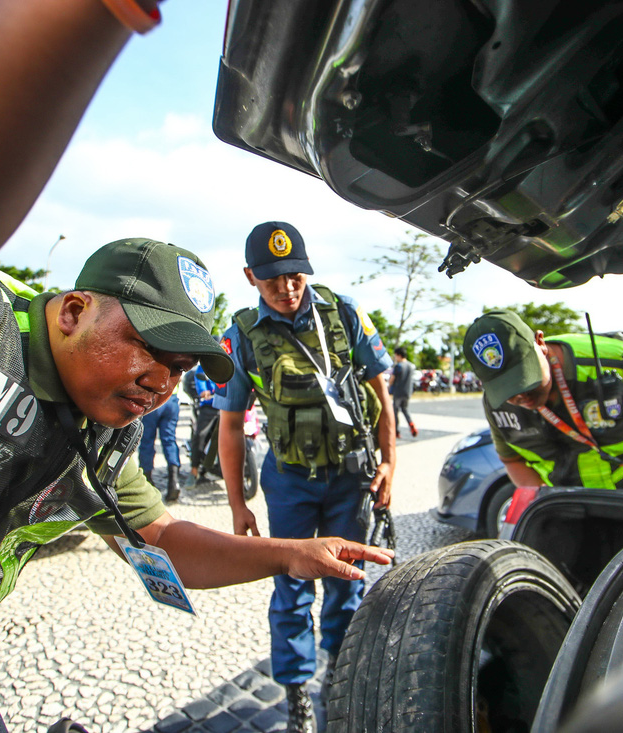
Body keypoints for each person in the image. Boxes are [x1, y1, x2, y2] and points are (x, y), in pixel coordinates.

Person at [0, 4, 392, 732]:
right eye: (148, 346)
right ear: (71, 310)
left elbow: (164, 538)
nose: (163, 381)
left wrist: (288, 552)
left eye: (179, 366)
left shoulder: (97, 439)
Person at [216, 221, 397, 733]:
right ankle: (296, 687)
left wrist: (389, 461)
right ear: (251, 277)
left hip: (349, 476)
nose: (288, 289)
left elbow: (382, 394)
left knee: (346, 580)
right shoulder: (241, 335)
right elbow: (230, 424)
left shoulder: (343, 314)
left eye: (295, 276)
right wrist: (237, 503)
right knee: (292, 583)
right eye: (273, 280)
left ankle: (339, 670)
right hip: (290, 479)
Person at [463, 309, 623, 495]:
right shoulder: (496, 404)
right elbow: (512, 459)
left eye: (524, 378)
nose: (519, 396)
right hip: (578, 510)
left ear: (540, 342)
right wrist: (544, 501)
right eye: (505, 387)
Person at [139, 383, 182, 502]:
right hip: (171, 399)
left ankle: (147, 482)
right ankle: (174, 482)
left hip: (153, 399)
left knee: (147, 441)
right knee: (170, 440)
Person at [182, 363, 219, 489]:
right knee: (200, 435)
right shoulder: (203, 366)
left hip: (227, 406)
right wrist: (203, 391)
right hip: (209, 406)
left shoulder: (230, 363)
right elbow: (200, 380)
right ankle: (194, 471)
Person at [389, 345, 418, 438]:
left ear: (399, 355)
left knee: (395, 411)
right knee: (405, 410)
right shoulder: (411, 366)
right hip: (407, 392)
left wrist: (388, 387)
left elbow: (392, 379)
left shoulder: (399, 366)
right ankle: (411, 424)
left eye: (395, 355)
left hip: (398, 392)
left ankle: (396, 431)